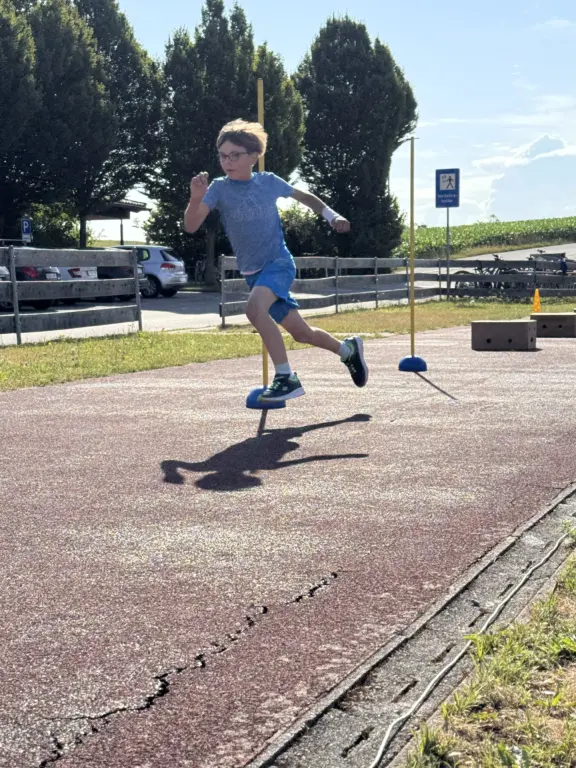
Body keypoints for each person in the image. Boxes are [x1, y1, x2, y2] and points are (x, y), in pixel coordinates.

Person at [184, 119, 368, 403]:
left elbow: (307, 198)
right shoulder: (218, 189)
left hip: (278, 264)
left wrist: (333, 216)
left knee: (254, 310)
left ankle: (285, 377)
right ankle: (348, 351)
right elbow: (191, 225)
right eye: (223, 156)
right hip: (253, 274)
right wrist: (195, 199)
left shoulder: (268, 182)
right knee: (301, 333)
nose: (228, 161)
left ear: (253, 155)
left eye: (235, 155)